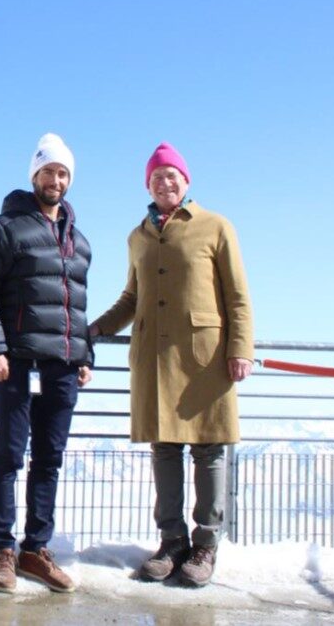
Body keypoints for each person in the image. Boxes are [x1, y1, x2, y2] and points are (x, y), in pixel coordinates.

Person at [89, 141, 253, 588]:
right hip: (154, 358)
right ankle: (172, 541)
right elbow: (131, 298)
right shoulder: (138, 235)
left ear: (186, 181)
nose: (165, 182)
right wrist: (98, 329)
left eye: (172, 175)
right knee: (164, 449)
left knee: (208, 448)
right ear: (148, 184)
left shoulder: (216, 226)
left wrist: (240, 348)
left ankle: (206, 544)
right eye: (156, 176)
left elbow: (237, 295)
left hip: (204, 357)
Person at [0, 133, 94, 594]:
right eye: (47, 171)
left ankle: (35, 550)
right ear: (33, 175)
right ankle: (3, 550)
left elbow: (75, 304)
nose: (55, 179)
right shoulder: (2, 229)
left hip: (62, 365)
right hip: (14, 361)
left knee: (49, 459)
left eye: (63, 173)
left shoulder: (79, 242)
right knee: (9, 456)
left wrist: (85, 353)